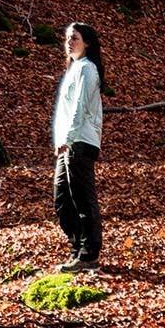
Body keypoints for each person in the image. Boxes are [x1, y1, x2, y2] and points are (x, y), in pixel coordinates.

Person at [51, 22, 104, 272]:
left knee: (82, 199)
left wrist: (67, 138)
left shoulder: (87, 69)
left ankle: (89, 255)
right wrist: (60, 140)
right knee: (62, 200)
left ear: (87, 43)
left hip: (80, 142)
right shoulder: (73, 69)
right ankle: (77, 249)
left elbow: (80, 108)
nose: (69, 42)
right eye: (67, 38)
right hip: (68, 144)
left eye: (75, 38)